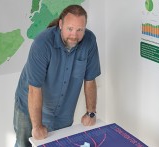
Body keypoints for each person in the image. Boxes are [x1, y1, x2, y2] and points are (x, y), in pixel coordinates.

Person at [13, 5, 101, 147]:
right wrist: (37, 126)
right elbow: (34, 89)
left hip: (63, 112)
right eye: (70, 29)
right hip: (29, 106)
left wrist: (91, 113)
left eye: (80, 30)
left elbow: (90, 79)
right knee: (23, 144)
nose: (74, 35)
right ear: (61, 24)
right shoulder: (42, 43)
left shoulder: (89, 41)